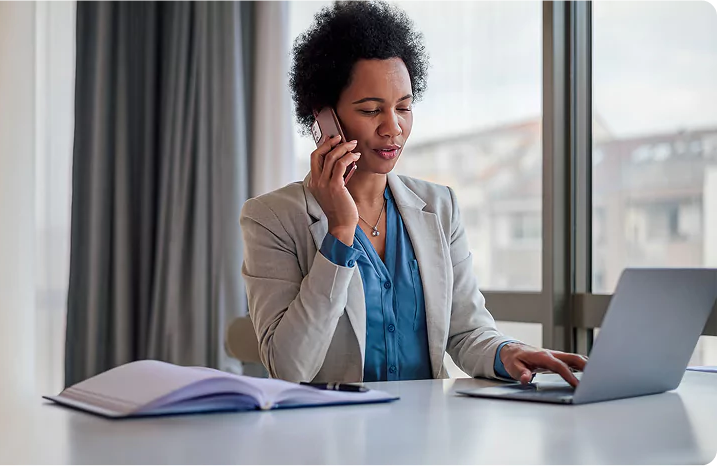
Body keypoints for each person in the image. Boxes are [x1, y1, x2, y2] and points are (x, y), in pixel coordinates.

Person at [240, 0, 586, 385]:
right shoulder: (271, 218)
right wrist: (339, 232)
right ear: (325, 118)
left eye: (403, 108)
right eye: (372, 111)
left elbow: (467, 332)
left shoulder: (441, 207)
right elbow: (289, 367)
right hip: (333, 438)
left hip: (429, 433)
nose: (393, 128)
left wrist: (507, 352)